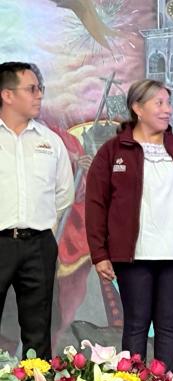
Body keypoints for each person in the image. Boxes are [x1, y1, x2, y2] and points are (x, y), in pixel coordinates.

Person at [86, 79, 173, 373]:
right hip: (133, 256)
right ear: (138, 108)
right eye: (159, 103)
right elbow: (96, 204)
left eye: (169, 103)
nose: (168, 110)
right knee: (136, 324)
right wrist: (100, 253)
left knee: (168, 326)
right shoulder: (113, 151)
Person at [0, 61, 74, 359]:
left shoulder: (50, 141)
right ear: (7, 95)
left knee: (38, 329)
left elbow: (64, 193)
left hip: (39, 244)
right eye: (32, 89)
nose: (39, 95)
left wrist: (41, 226)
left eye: (40, 88)